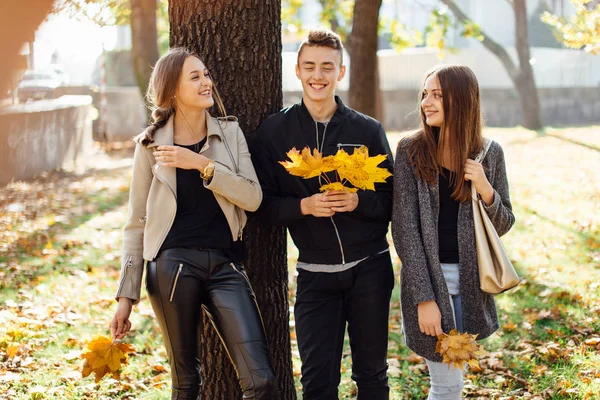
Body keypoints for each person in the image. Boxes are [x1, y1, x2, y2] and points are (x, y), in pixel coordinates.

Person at [110, 47, 277, 400]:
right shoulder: (150, 145)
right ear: (172, 91)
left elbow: (253, 197)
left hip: (227, 266)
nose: (207, 83)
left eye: (206, 74)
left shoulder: (230, 134)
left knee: (261, 381)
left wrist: (201, 165)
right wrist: (126, 296)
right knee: (186, 384)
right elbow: (136, 223)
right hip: (172, 266)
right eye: (195, 77)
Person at [251, 29, 394, 400]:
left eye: (327, 67)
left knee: (372, 375)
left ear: (340, 73)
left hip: (370, 270)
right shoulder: (274, 132)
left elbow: (393, 203)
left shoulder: (367, 130)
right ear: (297, 71)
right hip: (315, 276)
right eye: (310, 66)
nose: (319, 75)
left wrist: (357, 202)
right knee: (317, 383)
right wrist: (303, 206)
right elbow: (260, 204)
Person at [392, 64, 515, 399]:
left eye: (437, 95)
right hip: (431, 282)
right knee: (447, 386)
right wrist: (425, 298)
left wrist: (486, 189)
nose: (426, 102)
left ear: (461, 101)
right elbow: (404, 231)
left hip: (474, 285)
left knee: (451, 384)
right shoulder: (410, 151)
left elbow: (503, 225)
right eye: (425, 94)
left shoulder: (490, 154)